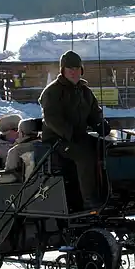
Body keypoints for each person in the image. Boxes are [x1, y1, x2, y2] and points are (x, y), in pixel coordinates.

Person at [39, 50, 110, 209]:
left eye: (77, 68)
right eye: (69, 68)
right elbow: (52, 119)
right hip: (57, 140)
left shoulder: (85, 91)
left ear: (81, 70)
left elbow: (94, 113)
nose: (73, 72)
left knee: (108, 148)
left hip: (79, 136)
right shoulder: (52, 91)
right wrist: (70, 133)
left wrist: (100, 124)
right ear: (62, 70)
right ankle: (89, 200)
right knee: (83, 155)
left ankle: (110, 191)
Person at [0, 118, 42, 184]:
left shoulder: (16, 150)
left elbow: (9, 178)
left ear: (21, 133)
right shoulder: (48, 147)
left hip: (24, 188)